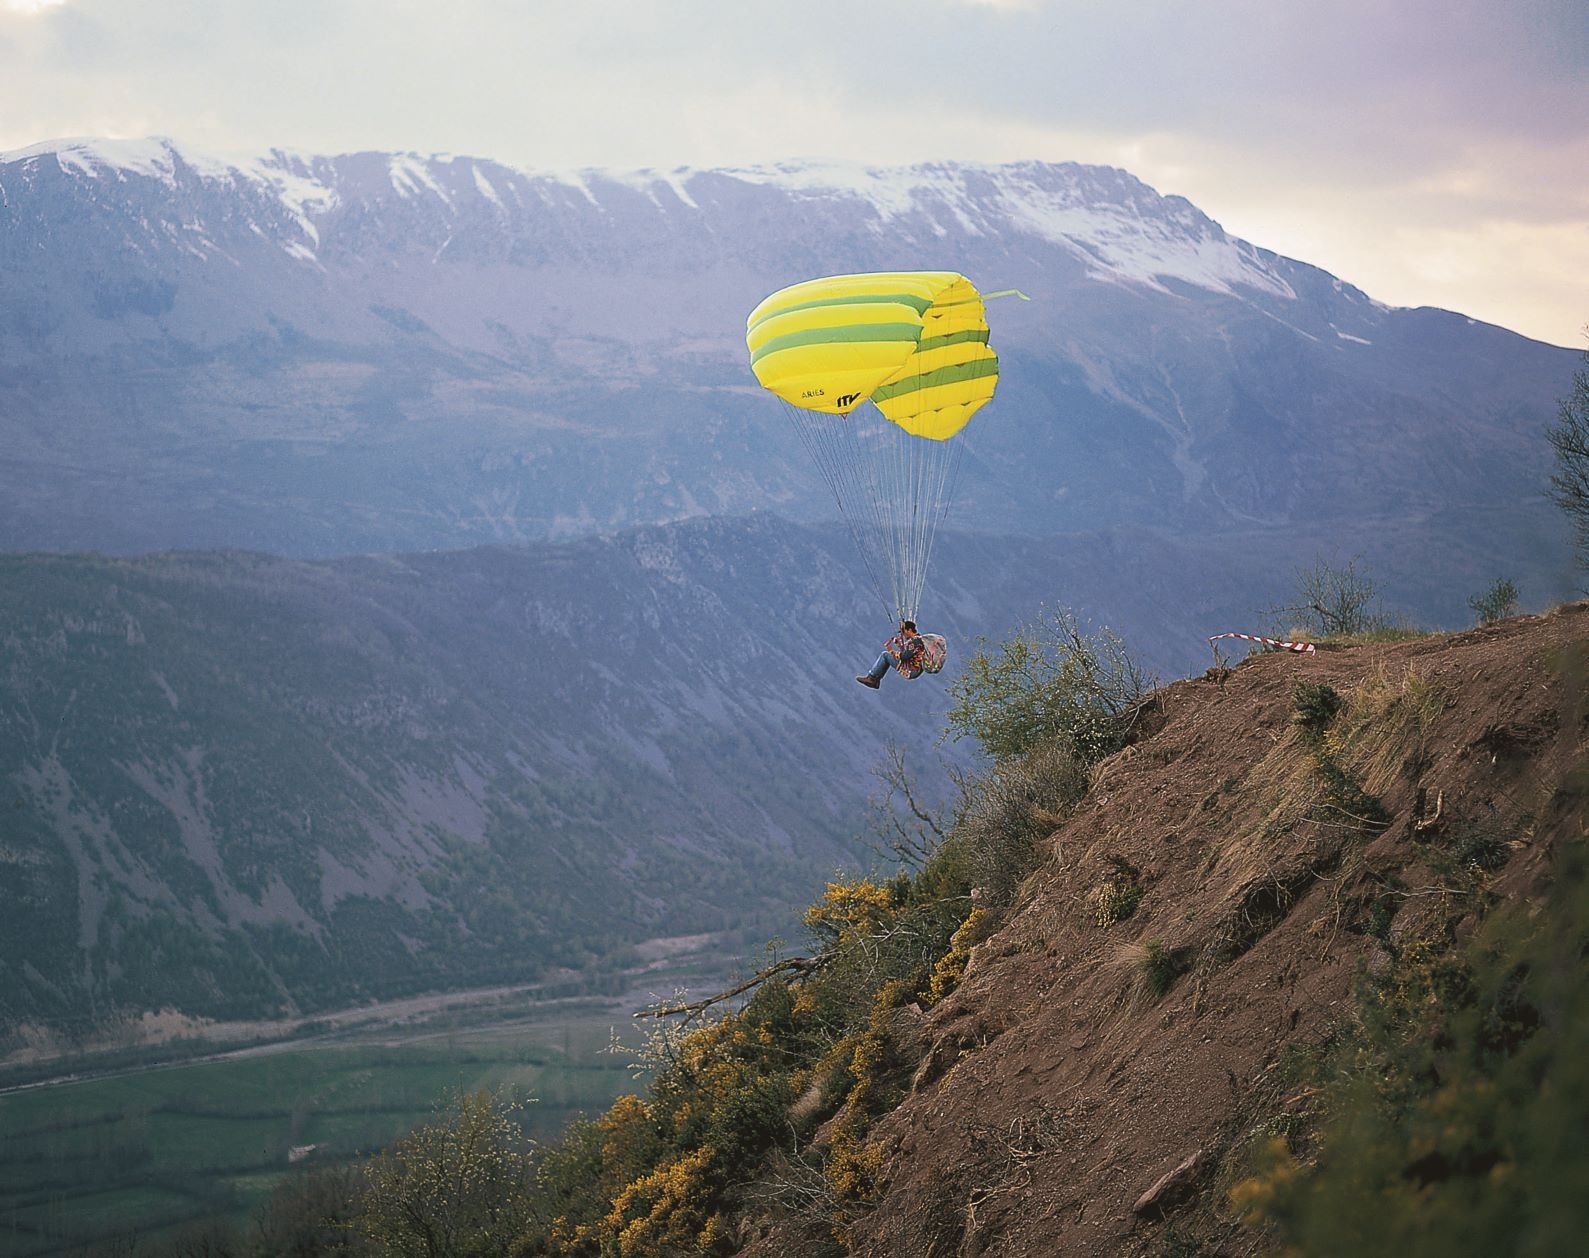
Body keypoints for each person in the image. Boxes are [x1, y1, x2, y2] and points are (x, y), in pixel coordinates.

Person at [857, 620, 925, 689]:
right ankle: (875, 680)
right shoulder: (918, 639)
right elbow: (910, 654)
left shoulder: (914, 641)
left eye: (904, 631)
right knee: (886, 658)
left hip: (911, 670)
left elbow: (905, 656)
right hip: (914, 669)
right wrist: (899, 646)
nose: (903, 634)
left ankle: (872, 678)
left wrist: (892, 652)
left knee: (885, 655)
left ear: (909, 630)